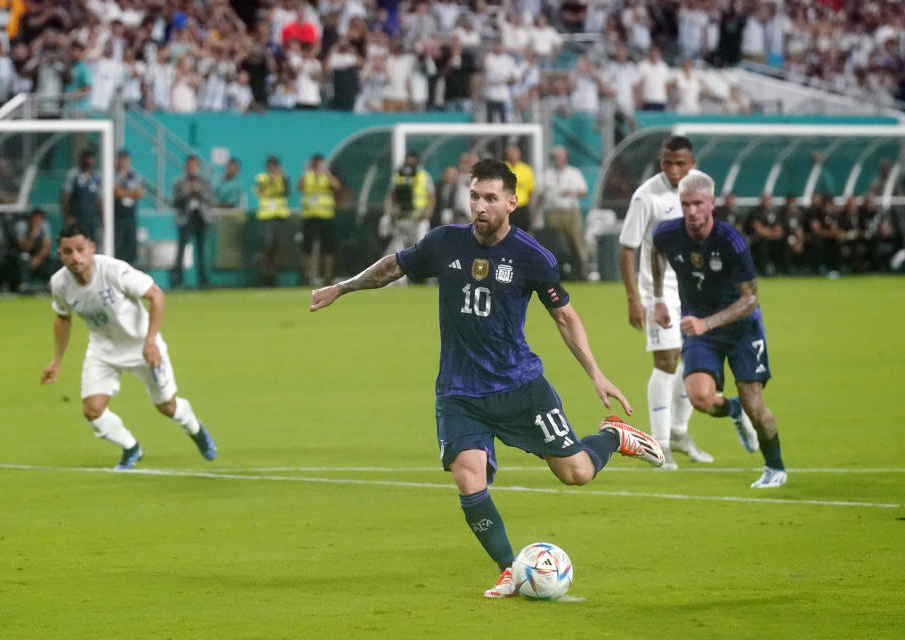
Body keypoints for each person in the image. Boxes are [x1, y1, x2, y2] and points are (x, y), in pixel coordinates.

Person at [310, 159, 664, 598]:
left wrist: (596, 372)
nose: (479, 205)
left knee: (575, 473)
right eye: (474, 196)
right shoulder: (445, 243)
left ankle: (613, 437)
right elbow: (393, 266)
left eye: (490, 198)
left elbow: (565, 317)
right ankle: (509, 569)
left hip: (519, 386)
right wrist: (341, 288)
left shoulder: (532, 257)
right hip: (459, 391)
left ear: (512, 202)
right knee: (467, 475)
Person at [40, 224, 218, 470]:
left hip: (143, 347)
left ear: (91, 247)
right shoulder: (59, 283)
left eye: (80, 249)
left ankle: (196, 430)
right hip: (102, 352)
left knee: (167, 407)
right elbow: (62, 317)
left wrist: (151, 340)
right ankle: (131, 448)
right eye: (67, 252)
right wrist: (56, 360)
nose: (75, 257)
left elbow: (156, 295)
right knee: (92, 411)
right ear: (60, 254)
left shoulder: (114, 271)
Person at [650, 172, 786, 489]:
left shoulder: (731, 241)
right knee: (700, 398)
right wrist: (658, 299)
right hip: (701, 331)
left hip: (742, 330)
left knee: (756, 405)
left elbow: (751, 298)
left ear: (711, 203)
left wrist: (706, 322)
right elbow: (656, 252)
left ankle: (775, 468)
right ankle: (733, 408)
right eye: (686, 204)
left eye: (698, 204)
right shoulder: (668, 234)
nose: (692, 211)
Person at [618, 136, 718, 470]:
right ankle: (659, 447)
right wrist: (634, 299)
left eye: (681, 163)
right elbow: (626, 248)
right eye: (667, 163)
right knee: (666, 361)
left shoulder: (699, 190)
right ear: (660, 162)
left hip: (697, 291)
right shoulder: (646, 197)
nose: (674, 170)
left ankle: (678, 433)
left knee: (695, 361)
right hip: (658, 293)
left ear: (692, 163)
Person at [539, 146, 588, 280]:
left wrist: (572, 192)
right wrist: (536, 214)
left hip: (570, 212)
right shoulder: (547, 174)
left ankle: (581, 273)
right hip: (553, 212)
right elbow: (541, 196)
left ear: (565, 157)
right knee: (555, 246)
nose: (559, 159)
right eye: (556, 156)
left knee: (577, 243)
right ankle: (554, 274)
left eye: (561, 156)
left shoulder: (574, 173)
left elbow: (583, 191)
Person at [298, 154, 341, 286]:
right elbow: (299, 187)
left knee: (328, 247)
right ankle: (307, 276)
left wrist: (326, 173)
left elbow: (337, 187)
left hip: (325, 215)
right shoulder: (307, 176)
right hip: (310, 215)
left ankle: (327, 276)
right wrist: (306, 171)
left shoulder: (327, 176)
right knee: (307, 247)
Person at [380, 151, 434, 257]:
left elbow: (431, 196)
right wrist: (387, 215)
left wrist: (428, 212)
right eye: (407, 161)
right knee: (398, 246)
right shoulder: (398, 176)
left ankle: (422, 269)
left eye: (412, 161)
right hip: (401, 217)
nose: (409, 164)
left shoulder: (424, 176)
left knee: (420, 246)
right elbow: (391, 196)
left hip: (419, 217)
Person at [171, 155, 213, 288]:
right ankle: (178, 281)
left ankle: (203, 281)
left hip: (201, 218)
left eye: (195, 165)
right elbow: (174, 202)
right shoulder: (178, 182)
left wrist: (199, 192)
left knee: (201, 251)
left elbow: (211, 199)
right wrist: (186, 194)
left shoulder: (204, 182)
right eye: (190, 165)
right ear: (185, 166)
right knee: (182, 251)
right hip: (185, 219)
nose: (192, 168)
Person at [253, 154, 290, 285]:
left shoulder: (282, 177)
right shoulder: (261, 177)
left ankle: (273, 274)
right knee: (266, 246)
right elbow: (259, 190)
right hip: (266, 215)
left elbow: (286, 192)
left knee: (277, 246)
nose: (272, 167)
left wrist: (283, 178)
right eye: (270, 164)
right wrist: (270, 179)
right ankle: (264, 274)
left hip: (279, 214)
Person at [60, 149, 102, 244]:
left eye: (89, 159)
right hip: (76, 217)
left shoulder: (97, 177)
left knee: (91, 242)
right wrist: (66, 215)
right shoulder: (73, 174)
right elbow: (65, 196)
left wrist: (102, 218)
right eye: (85, 159)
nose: (87, 162)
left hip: (92, 218)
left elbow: (99, 199)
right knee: (76, 242)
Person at [11, 207, 56, 294]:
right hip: (23, 254)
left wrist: (38, 258)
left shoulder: (44, 225)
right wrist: (33, 233)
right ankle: (24, 286)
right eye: (35, 219)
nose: (38, 221)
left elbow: (46, 246)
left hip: (37, 255)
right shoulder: (21, 226)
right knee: (24, 258)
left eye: (40, 219)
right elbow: (25, 247)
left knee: (52, 258)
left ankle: (50, 284)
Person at [114, 149, 145, 266]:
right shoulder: (112, 174)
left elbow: (141, 192)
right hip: (117, 215)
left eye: (125, 159)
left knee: (131, 243)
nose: (123, 161)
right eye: (121, 158)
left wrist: (124, 193)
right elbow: (114, 192)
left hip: (130, 215)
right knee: (118, 244)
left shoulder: (134, 175)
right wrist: (132, 193)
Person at [504, 145, 534, 232]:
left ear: (519, 154)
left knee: (523, 234)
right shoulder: (502, 168)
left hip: (521, 208)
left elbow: (530, 191)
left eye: (515, 153)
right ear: (507, 155)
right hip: (506, 208)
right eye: (510, 153)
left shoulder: (526, 170)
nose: (513, 155)